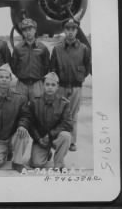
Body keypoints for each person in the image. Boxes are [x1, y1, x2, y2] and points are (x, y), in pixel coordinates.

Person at [0, 64, 31, 173]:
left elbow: (25, 116)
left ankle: (17, 162)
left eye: (7, 77)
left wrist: (22, 125)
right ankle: (5, 153)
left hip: (13, 137)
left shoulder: (20, 98)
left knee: (23, 133)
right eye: (1, 77)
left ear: (11, 80)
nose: (4, 80)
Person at [50, 18, 91, 151]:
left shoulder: (84, 49)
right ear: (64, 30)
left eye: (73, 29)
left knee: (73, 115)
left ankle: (72, 142)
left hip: (75, 87)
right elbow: (52, 68)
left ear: (77, 30)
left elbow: (87, 67)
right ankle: (57, 140)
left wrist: (79, 78)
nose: (70, 32)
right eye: (67, 29)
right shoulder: (57, 49)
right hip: (61, 87)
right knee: (58, 113)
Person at [28, 72, 72, 170]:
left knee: (66, 136)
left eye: (53, 85)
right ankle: (46, 153)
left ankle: (58, 164)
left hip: (56, 138)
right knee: (36, 164)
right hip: (41, 139)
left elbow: (67, 124)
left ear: (57, 87)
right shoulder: (35, 102)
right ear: (43, 86)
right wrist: (38, 139)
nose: (50, 87)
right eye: (47, 84)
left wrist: (51, 134)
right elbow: (31, 124)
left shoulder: (64, 103)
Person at [11, 18, 50, 101]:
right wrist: (21, 75)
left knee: (37, 109)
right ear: (22, 32)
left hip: (37, 84)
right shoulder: (18, 48)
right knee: (20, 108)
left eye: (30, 29)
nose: (28, 32)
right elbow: (14, 66)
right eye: (25, 30)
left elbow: (46, 66)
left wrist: (39, 77)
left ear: (35, 30)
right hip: (21, 84)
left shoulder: (42, 48)